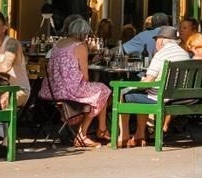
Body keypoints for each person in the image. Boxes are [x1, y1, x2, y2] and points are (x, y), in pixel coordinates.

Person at [117, 26, 191, 147]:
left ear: (161, 41)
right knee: (142, 94)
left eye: (156, 40)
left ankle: (124, 136)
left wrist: (130, 87)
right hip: (178, 97)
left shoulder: (161, 55)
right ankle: (139, 136)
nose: (155, 43)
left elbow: (148, 82)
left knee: (123, 94)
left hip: (160, 98)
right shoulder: (184, 54)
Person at [46, 16, 110, 147]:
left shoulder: (58, 44)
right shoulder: (80, 46)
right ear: (83, 33)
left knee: (99, 91)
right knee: (103, 90)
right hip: (71, 91)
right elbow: (85, 77)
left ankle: (101, 129)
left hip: (53, 89)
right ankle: (85, 133)